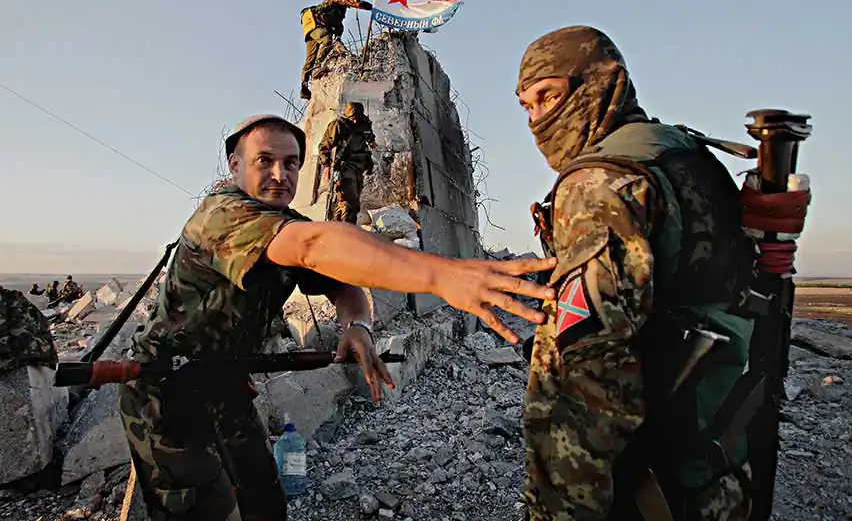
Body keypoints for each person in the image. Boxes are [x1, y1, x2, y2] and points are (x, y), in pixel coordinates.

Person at [117, 113, 558, 521]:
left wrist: (357, 328)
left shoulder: (281, 222)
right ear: (235, 165)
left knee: (265, 501)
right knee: (205, 509)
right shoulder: (223, 214)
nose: (279, 174)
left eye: (291, 164)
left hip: (225, 384)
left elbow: (340, 281)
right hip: (167, 391)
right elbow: (313, 246)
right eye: (264, 161)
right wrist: (442, 276)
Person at [515, 26, 759, 520]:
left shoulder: (598, 182)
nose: (539, 118)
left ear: (604, 82)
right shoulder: (683, 152)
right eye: (527, 106)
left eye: (550, 96)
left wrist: (560, 509)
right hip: (716, 461)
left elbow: (591, 374)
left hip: (651, 478)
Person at [300, 0, 372, 100]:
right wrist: (372, 7)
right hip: (316, 23)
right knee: (327, 40)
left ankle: (304, 87)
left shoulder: (339, 12)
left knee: (310, 59)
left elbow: (339, 26)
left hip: (311, 26)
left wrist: (338, 37)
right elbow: (354, 3)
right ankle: (317, 68)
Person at [318, 101, 376, 223]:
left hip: (359, 168)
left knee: (349, 204)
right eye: (352, 118)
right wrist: (326, 165)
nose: (355, 121)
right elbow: (324, 146)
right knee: (349, 203)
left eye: (357, 118)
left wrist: (372, 143)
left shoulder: (364, 124)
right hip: (343, 167)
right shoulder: (338, 125)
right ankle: (348, 233)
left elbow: (369, 137)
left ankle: (338, 229)